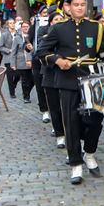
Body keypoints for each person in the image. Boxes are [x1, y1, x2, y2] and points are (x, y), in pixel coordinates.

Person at [36, 0, 104, 185]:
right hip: (68, 80)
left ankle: (90, 152)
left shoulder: (97, 27)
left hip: (91, 80)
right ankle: (76, 165)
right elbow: (41, 51)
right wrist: (57, 61)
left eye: (83, 5)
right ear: (68, 7)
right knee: (71, 123)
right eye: (76, 5)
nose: (80, 8)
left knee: (95, 120)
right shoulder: (58, 28)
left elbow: (100, 54)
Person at [36, 10, 66, 149]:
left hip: (66, 74)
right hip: (50, 74)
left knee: (67, 106)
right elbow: (40, 52)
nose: (58, 22)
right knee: (54, 107)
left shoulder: (67, 36)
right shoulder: (45, 36)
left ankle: (70, 133)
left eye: (61, 19)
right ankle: (60, 134)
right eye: (56, 20)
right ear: (51, 22)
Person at [29, 6, 50, 123]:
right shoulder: (35, 26)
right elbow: (27, 41)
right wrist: (28, 47)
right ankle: (45, 111)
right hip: (37, 60)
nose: (46, 15)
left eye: (48, 13)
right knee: (40, 86)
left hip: (50, 61)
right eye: (44, 13)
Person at [10, 21, 34, 103]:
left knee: (33, 80)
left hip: (33, 60)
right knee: (24, 80)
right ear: (21, 28)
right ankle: (26, 97)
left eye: (27, 26)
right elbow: (13, 51)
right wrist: (13, 64)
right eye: (23, 26)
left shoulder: (33, 36)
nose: (25, 28)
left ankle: (28, 92)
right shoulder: (17, 37)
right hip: (21, 61)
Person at [0, 19, 20, 98]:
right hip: (8, 58)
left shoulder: (18, 33)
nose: (12, 24)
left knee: (18, 74)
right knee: (10, 76)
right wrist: (8, 50)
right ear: (7, 25)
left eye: (13, 23)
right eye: (10, 23)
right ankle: (12, 93)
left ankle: (14, 85)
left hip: (18, 58)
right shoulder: (4, 35)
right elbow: (0, 46)